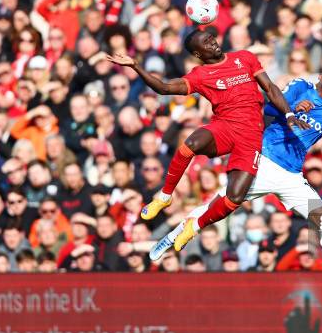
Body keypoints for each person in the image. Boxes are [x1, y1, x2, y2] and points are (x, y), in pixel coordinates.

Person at [151, 62, 322, 301]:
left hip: (291, 176)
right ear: (321, 74)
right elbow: (269, 107)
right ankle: (172, 236)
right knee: (219, 204)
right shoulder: (300, 87)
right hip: (263, 161)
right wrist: (293, 109)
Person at [107, 29, 308, 245]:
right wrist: (136, 66)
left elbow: (270, 87)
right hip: (224, 126)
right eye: (206, 43)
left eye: (212, 38)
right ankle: (165, 196)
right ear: (198, 53)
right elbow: (164, 88)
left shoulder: (244, 57)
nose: (213, 43)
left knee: (235, 197)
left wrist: (288, 113)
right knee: (191, 143)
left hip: (250, 135)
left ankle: (194, 226)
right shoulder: (200, 75)